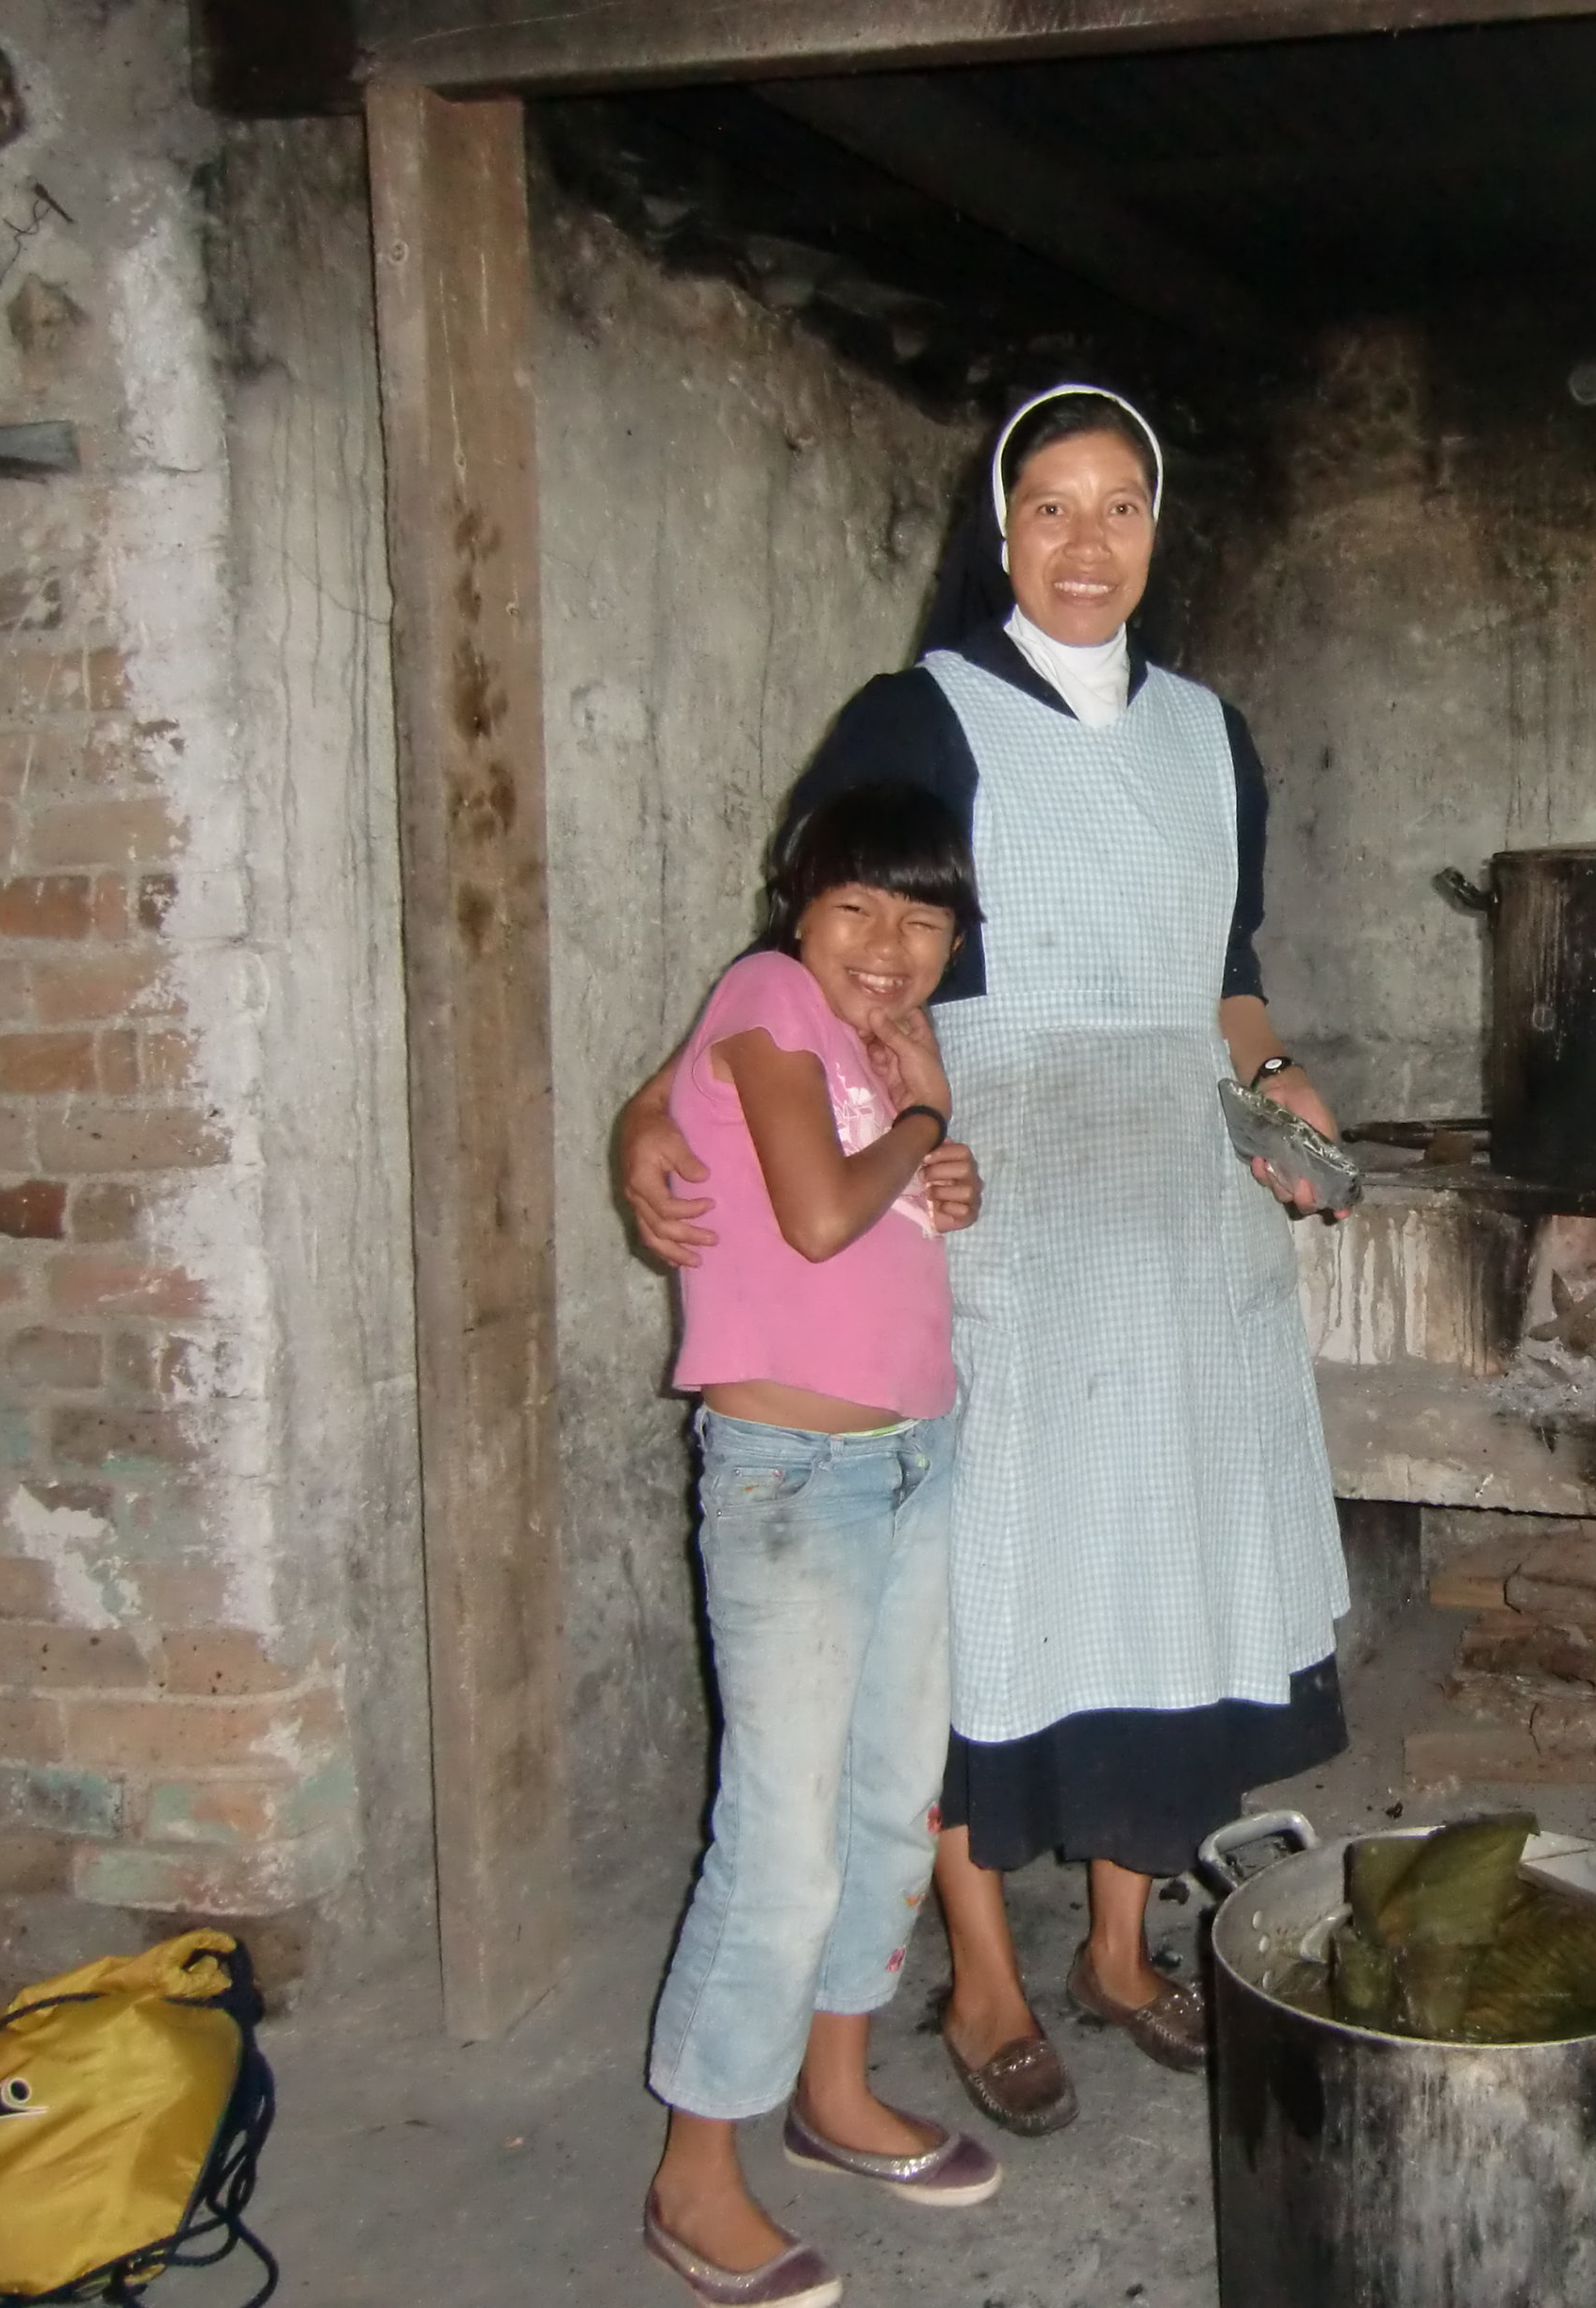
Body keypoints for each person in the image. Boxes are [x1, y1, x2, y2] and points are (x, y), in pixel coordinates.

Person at [623, 384, 1351, 2138]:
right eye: (1051, 507)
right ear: (1000, 529)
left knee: (1163, 1562)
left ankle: (1116, 1948)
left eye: (1122, 507)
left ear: (1159, 532)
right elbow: (807, 940)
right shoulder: (922, 713)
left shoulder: (1211, 736)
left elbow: (1227, 969)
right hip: (997, 1193)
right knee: (993, 1588)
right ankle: (983, 1978)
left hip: (1177, 1207)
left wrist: (1272, 1078)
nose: (1087, 543)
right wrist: (658, 1101)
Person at [639, 783, 999, 2308]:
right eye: (857, 906)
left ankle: (835, 2090)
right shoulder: (768, 997)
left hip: (918, 1452)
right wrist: (924, 1123)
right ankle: (692, 2172)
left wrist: (939, 1172)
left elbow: (882, 1220)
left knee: (889, 1803)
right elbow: (812, 1214)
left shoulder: (875, 1045)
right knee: (781, 1838)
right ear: (796, 905)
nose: (889, 944)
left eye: (923, 918)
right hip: (794, 1478)